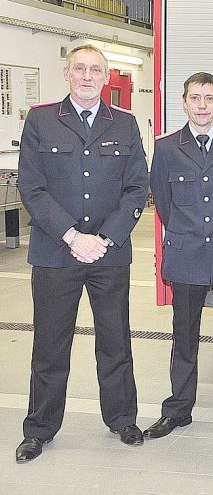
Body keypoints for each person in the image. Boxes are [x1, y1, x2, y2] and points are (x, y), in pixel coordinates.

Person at [16, 44, 149, 462]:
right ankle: (39, 428)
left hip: (109, 255)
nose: (88, 76)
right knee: (50, 345)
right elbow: (31, 187)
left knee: (115, 341)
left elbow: (135, 188)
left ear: (107, 77)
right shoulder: (40, 121)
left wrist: (105, 238)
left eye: (95, 69)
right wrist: (73, 236)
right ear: (67, 74)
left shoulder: (125, 125)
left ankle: (123, 418)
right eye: (80, 69)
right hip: (57, 254)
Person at [145, 72, 213, 439]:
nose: (202, 105)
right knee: (184, 335)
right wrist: (188, 232)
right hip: (187, 252)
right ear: (184, 102)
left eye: (209, 98)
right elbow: (163, 200)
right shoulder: (166, 147)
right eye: (195, 98)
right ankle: (178, 408)